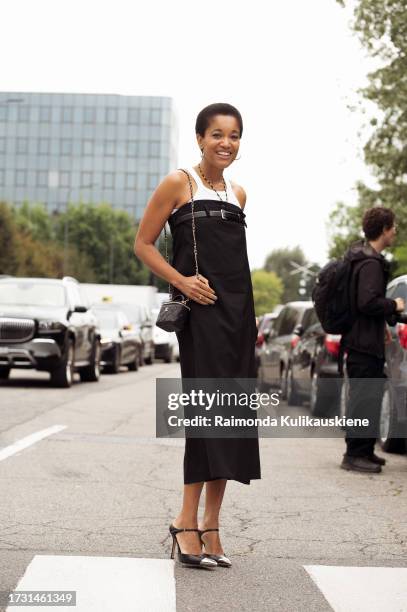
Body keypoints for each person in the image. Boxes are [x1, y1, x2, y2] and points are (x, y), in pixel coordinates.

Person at [134, 103, 261, 568]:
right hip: (203, 318)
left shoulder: (239, 193)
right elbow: (143, 244)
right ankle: (185, 522)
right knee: (206, 417)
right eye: (216, 135)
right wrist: (182, 281)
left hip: (240, 316)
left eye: (233, 135)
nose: (225, 143)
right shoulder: (178, 182)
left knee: (231, 420)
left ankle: (212, 526)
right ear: (200, 139)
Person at [340, 207, 405, 473]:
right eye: (394, 226)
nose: (396, 231)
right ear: (385, 229)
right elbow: (367, 302)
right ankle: (354, 454)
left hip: (365, 341)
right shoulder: (370, 264)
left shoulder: (366, 259)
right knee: (363, 399)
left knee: (370, 396)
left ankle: (365, 450)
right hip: (362, 343)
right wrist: (394, 304)